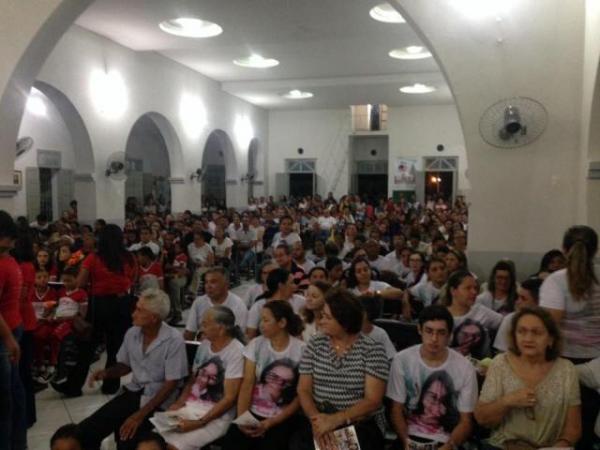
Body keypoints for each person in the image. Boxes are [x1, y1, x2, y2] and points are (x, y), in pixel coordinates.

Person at [78, 289, 188, 450]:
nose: (133, 314)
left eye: (139, 310)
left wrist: (139, 415)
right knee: (88, 429)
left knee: (127, 439)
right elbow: (125, 366)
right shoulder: (132, 333)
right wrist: (107, 373)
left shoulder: (173, 340)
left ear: (153, 318)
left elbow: (171, 384)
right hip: (134, 391)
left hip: (160, 399)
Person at [293, 289, 389, 450]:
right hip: (318, 418)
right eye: (322, 315)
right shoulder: (316, 344)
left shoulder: (372, 350)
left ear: (345, 322)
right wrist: (318, 423)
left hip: (358, 423)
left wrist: (336, 420)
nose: (321, 321)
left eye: (327, 317)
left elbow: (373, 401)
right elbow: (303, 389)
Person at [474, 307, 581, 449]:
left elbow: (573, 428)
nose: (528, 338)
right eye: (521, 331)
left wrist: (561, 445)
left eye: (536, 332)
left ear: (550, 339)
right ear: (514, 336)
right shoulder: (501, 364)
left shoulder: (567, 370)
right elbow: (482, 418)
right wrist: (508, 401)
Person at [540, 225, 600, 448]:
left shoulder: (556, 281)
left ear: (564, 249)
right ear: (595, 250)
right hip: (597, 366)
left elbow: (548, 326)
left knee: (561, 432)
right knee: (586, 431)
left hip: (564, 363)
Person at [387, 305, 477, 449]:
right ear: (419, 329)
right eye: (429, 331)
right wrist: (406, 442)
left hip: (447, 441)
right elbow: (395, 410)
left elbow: (466, 421)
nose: (434, 339)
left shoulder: (465, 367)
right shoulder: (402, 359)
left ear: (449, 335)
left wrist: (448, 446)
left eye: (441, 333)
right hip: (409, 436)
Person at [157, 306, 244, 450]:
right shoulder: (205, 345)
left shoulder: (236, 352)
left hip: (214, 415)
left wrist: (199, 422)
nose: (201, 328)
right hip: (189, 407)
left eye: (205, 324)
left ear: (221, 329)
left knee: (174, 447)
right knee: (152, 441)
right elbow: (193, 379)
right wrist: (179, 403)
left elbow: (229, 398)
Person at [222, 300, 305, 450]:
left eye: (266, 320)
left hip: (281, 417)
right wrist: (242, 417)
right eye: (261, 319)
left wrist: (270, 423)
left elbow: (300, 395)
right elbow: (247, 384)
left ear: (282, 323)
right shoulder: (256, 344)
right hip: (252, 413)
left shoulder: (301, 350)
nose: (261, 324)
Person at [70, 224, 137, 395]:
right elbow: (133, 279)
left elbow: (80, 283)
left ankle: (74, 385)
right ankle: (111, 385)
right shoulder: (129, 258)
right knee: (115, 346)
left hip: (99, 305)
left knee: (89, 346)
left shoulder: (93, 258)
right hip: (121, 304)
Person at [0, 210, 26, 450]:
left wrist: (8, 339)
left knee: (4, 399)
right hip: (13, 326)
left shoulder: (3, 263)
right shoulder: (10, 261)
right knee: (14, 392)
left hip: (4, 334)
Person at [444, 270, 502, 360]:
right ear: (453, 291)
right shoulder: (441, 314)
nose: (474, 292)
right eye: (468, 288)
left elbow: (506, 323)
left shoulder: (481, 311)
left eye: (475, 288)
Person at [184, 268, 247, 341]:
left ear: (226, 285)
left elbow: (239, 338)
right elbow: (189, 333)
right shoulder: (198, 302)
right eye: (206, 282)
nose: (208, 286)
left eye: (213, 282)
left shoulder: (238, 305)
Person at [246, 268, 305, 339]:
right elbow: (250, 334)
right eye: (291, 283)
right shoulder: (259, 305)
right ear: (281, 285)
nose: (295, 286)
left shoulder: (301, 301)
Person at [494, 277, 542, 352]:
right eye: (518, 297)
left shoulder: (548, 322)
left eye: (523, 299)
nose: (517, 302)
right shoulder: (509, 319)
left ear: (538, 303)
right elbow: (501, 352)